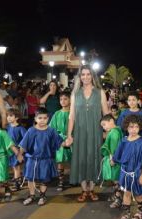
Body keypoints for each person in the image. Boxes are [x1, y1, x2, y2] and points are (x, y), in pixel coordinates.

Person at [65, 64, 109, 202]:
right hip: (80, 132)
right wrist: (69, 135)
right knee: (81, 158)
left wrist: (108, 131)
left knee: (95, 157)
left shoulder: (100, 92)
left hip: (96, 131)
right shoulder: (75, 94)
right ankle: (84, 190)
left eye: (88, 74)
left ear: (92, 76)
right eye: (83, 74)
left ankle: (92, 189)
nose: (85, 77)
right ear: (80, 77)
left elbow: (106, 113)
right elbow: (71, 116)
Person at [113, 114, 142, 219]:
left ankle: (140, 211)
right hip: (125, 173)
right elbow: (118, 154)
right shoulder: (124, 140)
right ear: (126, 127)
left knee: (138, 194)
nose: (133, 129)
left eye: (136, 127)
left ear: (140, 127)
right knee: (126, 193)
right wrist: (113, 160)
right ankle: (126, 213)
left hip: (137, 173)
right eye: (131, 127)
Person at [19, 108, 64, 206]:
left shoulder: (52, 131)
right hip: (32, 159)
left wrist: (67, 142)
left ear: (48, 119)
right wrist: (19, 154)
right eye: (40, 118)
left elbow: (59, 142)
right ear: (35, 118)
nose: (42, 120)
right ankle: (31, 195)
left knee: (44, 178)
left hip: (46, 159)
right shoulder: (31, 131)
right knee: (31, 178)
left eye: (44, 118)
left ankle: (42, 195)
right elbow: (23, 145)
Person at [99, 114, 124, 208]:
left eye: (104, 124)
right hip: (120, 159)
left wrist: (112, 158)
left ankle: (118, 199)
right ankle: (117, 196)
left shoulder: (113, 133)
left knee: (116, 180)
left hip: (115, 160)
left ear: (111, 121)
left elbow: (113, 148)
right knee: (116, 179)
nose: (104, 127)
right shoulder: (118, 130)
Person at [48, 91, 71, 191]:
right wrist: (60, 139)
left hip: (72, 139)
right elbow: (52, 128)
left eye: (65, 99)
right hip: (60, 140)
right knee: (60, 160)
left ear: (70, 100)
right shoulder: (57, 114)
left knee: (72, 160)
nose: (63, 101)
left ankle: (73, 179)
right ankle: (61, 181)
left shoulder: (73, 113)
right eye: (61, 99)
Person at [6, 108, 27, 191]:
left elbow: (26, 139)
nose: (8, 117)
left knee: (16, 167)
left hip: (17, 151)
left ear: (17, 117)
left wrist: (21, 150)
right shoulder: (8, 127)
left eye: (11, 116)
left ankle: (17, 184)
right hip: (10, 150)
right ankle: (18, 179)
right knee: (13, 167)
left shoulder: (21, 128)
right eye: (7, 116)